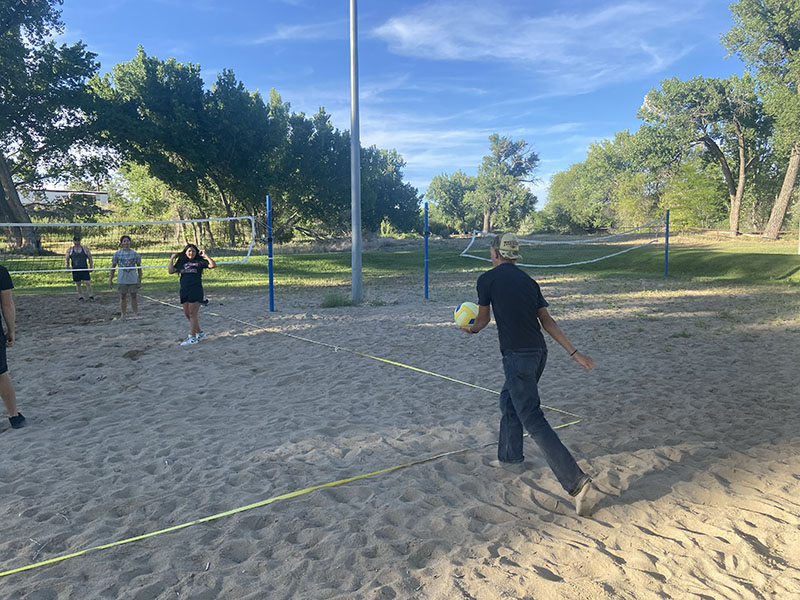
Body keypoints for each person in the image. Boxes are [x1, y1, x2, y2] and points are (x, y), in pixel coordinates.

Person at [460, 233, 598, 516]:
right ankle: (510, 459)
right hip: (538, 354)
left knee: (532, 417)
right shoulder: (528, 281)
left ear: (495, 254)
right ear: (514, 256)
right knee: (508, 402)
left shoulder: (487, 279)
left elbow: (483, 319)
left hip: (517, 357)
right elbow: (547, 321)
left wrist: (471, 329)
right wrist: (574, 352)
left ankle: (576, 482)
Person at [168, 244, 216, 346]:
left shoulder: (199, 262)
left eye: (193, 251)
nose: (191, 253)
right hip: (184, 290)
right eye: (189, 251)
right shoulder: (182, 262)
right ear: (185, 252)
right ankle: (200, 333)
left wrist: (205, 255)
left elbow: (212, 265)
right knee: (187, 314)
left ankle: (193, 337)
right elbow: (171, 271)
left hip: (196, 290)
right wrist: (172, 258)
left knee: (192, 314)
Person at [0, 264, 25, 429]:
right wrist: (11, 330)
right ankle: (14, 416)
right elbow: (7, 305)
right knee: (1, 373)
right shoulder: (1, 271)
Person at [109, 235, 142, 319]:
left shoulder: (135, 254)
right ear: (121, 243)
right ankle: (123, 314)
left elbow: (139, 268)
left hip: (132, 278)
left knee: (134, 296)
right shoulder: (117, 254)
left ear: (130, 242)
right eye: (124, 241)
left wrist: (139, 280)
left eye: (127, 241)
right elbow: (113, 267)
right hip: (122, 279)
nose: (126, 243)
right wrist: (110, 279)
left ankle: (135, 314)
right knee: (123, 296)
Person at [65, 235, 94, 301]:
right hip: (75, 269)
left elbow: (90, 257)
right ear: (73, 241)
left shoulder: (85, 249)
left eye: (78, 240)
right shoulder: (70, 250)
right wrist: (67, 267)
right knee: (78, 283)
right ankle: (80, 297)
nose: (77, 242)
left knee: (87, 282)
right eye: (76, 240)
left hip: (84, 268)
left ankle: (90, 296)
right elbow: (66, 259)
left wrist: (91, 266)